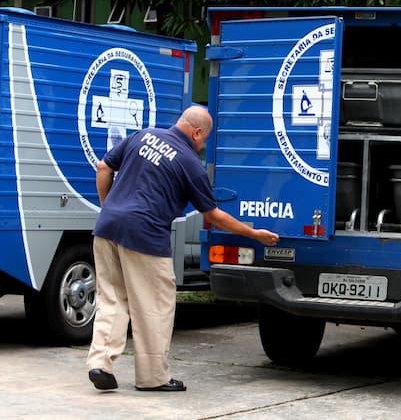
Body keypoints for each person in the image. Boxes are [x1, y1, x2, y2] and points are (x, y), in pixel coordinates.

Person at [86, 105, 279, 392]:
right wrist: (253, 233)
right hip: (146, 236)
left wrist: (109, 208)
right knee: (155, 306)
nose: (202, 145)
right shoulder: (190, 163)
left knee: (112, 298)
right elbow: (212, 215)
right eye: (204, 140)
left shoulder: (142, 135)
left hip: (107, 229)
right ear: (197, 132)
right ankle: (153, 377)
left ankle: (100, 363)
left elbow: (104, 167)